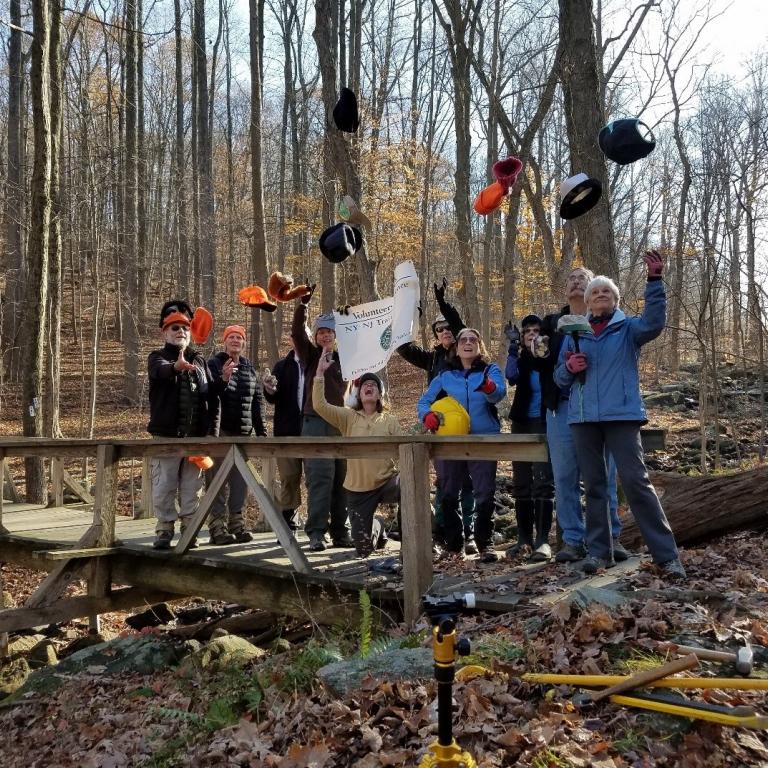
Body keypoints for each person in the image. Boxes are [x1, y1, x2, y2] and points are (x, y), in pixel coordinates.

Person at [554, 250, 685, 578]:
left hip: (621, 416)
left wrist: (654, 282)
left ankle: (667, 557)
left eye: (606, 292)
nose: (599, 295)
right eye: (594, 292)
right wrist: (569, 368)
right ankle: (600, 553)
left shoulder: (628, 329)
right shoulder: (575, 334)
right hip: (583, 419)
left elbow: (655, 323)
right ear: (586, 300)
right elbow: (559, 378)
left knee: (636, 482)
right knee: (594, 486)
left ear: (615, 300)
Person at [532, 266, 626, 564]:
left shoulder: (604, 322)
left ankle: (611, 538)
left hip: (598, 410)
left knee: (605, 476)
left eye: (581, 279)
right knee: (564, 477)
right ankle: (573, 541)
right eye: (570, 278)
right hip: (560, 408)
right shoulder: (549, 323)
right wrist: (532, 347)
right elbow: (538, 358)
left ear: (591, 289)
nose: (575, 282)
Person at [397, 279, 476, 553]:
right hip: (439, 426)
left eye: (447, 328)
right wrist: (409, 316)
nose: (444, 331)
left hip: (466, 423)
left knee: (468, 479)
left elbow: (458, 323)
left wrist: (442, 301)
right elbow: (403, 348)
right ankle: (446, 533)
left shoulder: (462, 354)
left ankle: (470, 534)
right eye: (438, 329)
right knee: (445, 481)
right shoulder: (432, 359)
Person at [417, 328, 506, 562]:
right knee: (448, 492)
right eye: (463, 340)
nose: (468, 343)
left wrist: (489, 387)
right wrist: (427, 416)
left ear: (479, 345)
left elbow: (499, 394)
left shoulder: (490, 369)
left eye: (473, 339)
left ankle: (484, 544)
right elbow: (424, 401)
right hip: (450, 442)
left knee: (485, 493)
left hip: (483, 439)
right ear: (456, 347)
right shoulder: (445, 375)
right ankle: (454, 545)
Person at [147, 300, 219, 550]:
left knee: (192, 488)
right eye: (174, 328)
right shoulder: (157, 357)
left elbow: (211, 393)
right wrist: (175, 367)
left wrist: (225, 379)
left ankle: (190, 530)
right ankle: (164, 530)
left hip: (194, 438)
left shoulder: (199, 361)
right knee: (164, 485)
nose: (180, 332)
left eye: (184, 328)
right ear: (165, 332)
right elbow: (161, 372)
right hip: (166, 436)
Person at [313, 360, 403, 558]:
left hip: (387, 481)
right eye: (364, 386)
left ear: (379, 394)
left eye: (373, 386)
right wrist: (319, 373)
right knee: (363, 550)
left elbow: (404, 449)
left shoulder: (390, 420)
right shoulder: (348, 417)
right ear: (359, 394)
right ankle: (377, 526)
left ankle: (409, 538)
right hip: (358, 488)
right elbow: (319, 405)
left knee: (409, 485)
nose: (369, 387)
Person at [291, 288, 352, 552]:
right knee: (320, 478)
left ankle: (341, 531)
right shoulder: (310, 355)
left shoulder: (346, 357)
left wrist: (349, 319)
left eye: (329, 332)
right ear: (315, 336)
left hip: (341, 423)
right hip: (315, 421)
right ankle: (317, 532)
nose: (325, 335)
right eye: (321, 332)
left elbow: (365, 341)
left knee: (343, 480)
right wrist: (303, 306)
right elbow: (296, 332)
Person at [206, 325, 267, 545]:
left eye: (239, 338)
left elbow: (257, 402)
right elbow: (210, 394)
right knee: (217, 482)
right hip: (220, 432)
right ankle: (217, 526)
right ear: (224, 341)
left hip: (244, 433)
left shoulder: (250, 369)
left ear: (243, 343)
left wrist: (262, 432)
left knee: (241, 482)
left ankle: (237, 523)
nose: (235, 340)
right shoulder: (214, 364)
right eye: (231, 337)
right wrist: (223, 378)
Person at [504, 314, 555, 561]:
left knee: (544, 481)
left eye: (536, 330)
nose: (532, 334)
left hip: (546, 422)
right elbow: (510, 376)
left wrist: (541, 350)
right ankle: (523, 539)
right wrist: (513, 347)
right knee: (522, 481)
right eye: (527, 332)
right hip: (522, 423)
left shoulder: (548, 358)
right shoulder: (520, 359)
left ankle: (542, 541)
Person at [263, 340, 306, 532]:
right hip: (286, 431)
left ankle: (318, 524)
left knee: (317, 478)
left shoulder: (315, 363)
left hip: (313, 432)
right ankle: (289, 521)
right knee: (289, 477)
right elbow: (272, 396)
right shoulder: (282, 366)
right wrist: (268, 388)